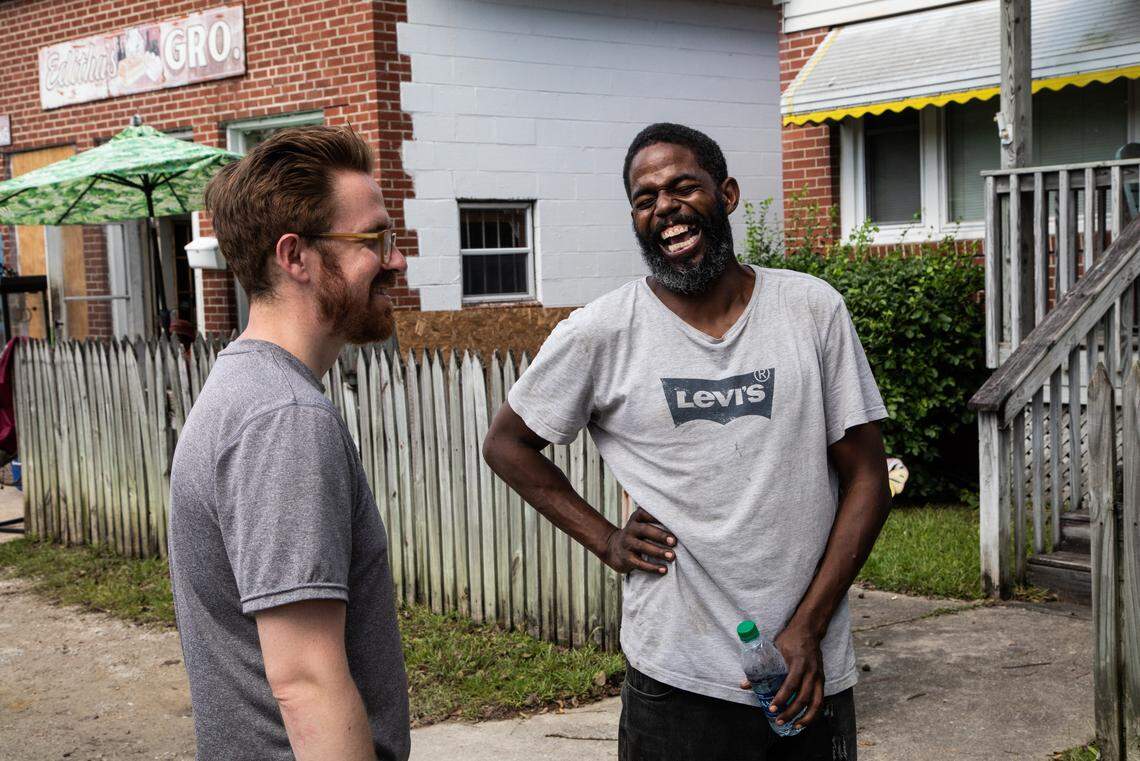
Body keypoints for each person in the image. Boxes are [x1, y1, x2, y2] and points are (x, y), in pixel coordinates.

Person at [483, 123, 891, 761]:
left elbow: (869, 478)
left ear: (725, 194)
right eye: (644, 200)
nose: (664, 208)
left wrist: (808, 627)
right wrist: (607, 540)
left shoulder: (812, 310)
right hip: (675, 676)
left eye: (682, 187)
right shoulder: (603, 332)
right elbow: (506, 443)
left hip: (807, 671)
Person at [169, 125, 410, 761]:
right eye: (375, 239)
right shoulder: (285, 416)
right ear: (294, 256)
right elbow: (305, 680)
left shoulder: (246, 385)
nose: (397, 259)